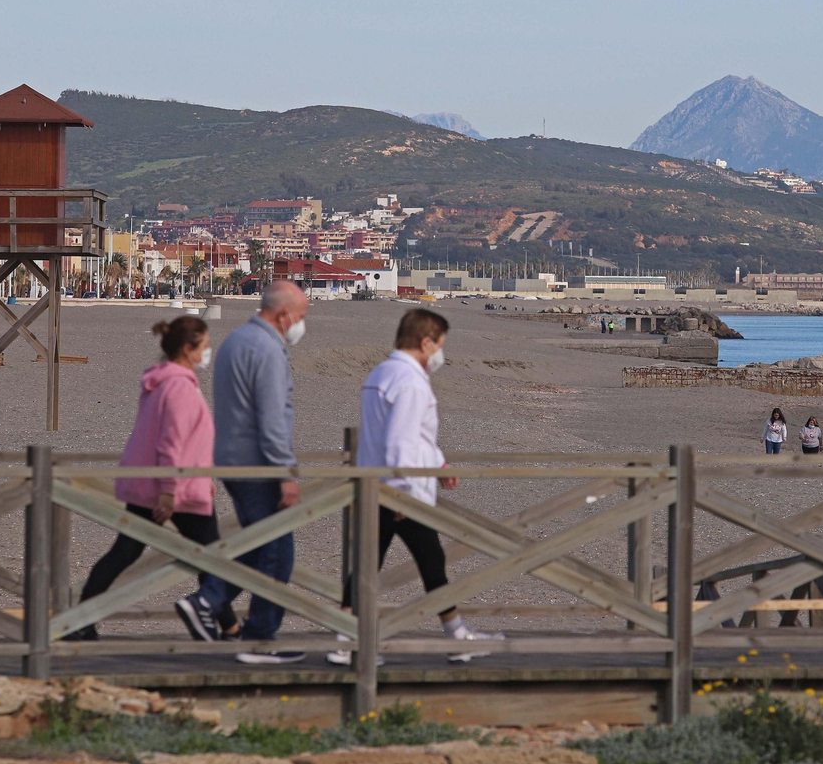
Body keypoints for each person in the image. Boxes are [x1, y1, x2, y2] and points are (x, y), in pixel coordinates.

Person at [327, 308, 502, 667]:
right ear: (426, 342)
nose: (440, 354)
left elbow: (407, 436)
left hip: (375, 482)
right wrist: (403, 490)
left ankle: (347, 637)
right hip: (399, 491)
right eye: (439, 345)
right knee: (425, 561)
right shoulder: (410, 381)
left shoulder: (382, 373)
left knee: (370, 564)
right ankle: (454, 636)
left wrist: (438, 463)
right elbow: (400, 441)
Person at [67, 317, 238, 642]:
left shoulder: (160, 382)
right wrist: (169, 492)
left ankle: (81, 619)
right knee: (211, 558)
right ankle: (228, 626)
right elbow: (171, 443)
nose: (206, 351)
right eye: (203, 345)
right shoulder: (179, 388)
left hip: (155, 484)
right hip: (177, 489)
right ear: (188, 349)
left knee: (128, 551)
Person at [175, 280, 309, 664]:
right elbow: (271, 420)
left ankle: (208, 601)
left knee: (255, 543)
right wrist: (285, 473)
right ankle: (256, 637)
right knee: (278, 552)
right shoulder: (267, 348)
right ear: (284, 314)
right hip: (258, 464)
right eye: (301, 316)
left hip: (230, 458)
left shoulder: (235, 340)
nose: (301, 323)